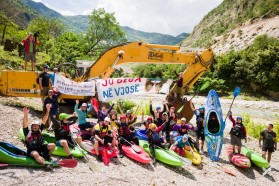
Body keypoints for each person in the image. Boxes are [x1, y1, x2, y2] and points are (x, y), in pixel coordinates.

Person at [22, 104, 56, 170]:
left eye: (37, 126)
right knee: (35, 154)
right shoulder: (27, 132)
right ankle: (46, 164)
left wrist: (48, 110)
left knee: (53, 145)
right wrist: (25, 114)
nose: (35, 126)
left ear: (39, 127)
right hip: (32, 150)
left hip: (41, 148)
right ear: (31, 127)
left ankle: (47, 156)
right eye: (34, 125)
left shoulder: (40, 130)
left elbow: (44, 120)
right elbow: (25, 124)